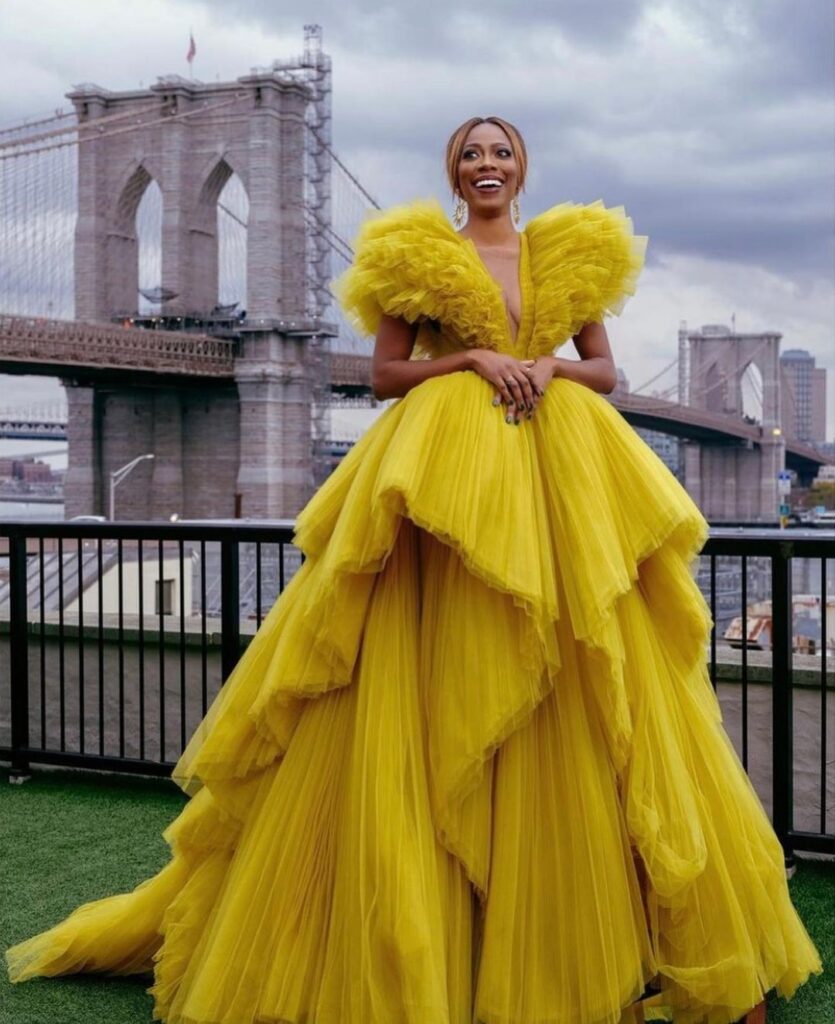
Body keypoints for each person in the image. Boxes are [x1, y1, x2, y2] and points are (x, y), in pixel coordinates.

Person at [5, 115, 822, 1024]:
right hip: (442, 489)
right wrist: (470, 358)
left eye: (501, 152)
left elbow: (606, 371)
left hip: (564, 486)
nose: (486, 166)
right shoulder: (410, 254)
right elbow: (387, 376)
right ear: (453, 169)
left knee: (595, 677)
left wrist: (547, 367)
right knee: (430, 677)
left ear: (521, 167)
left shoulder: (570, 252)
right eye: (471, 154)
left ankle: (656, 944)